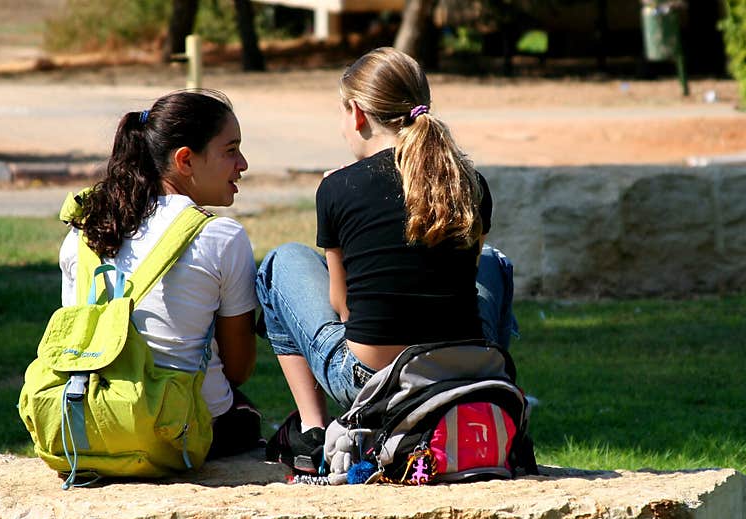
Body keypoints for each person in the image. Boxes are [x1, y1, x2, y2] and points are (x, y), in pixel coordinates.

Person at [256, 46, 519, 462]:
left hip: (372, 379)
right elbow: (463, 279)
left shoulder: (339, 187)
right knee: (493, 262)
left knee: (280, 262)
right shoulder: (469, 183)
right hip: (460, 367)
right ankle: (477, 400)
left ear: (357, 113)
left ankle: (313, 428)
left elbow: (342, 307)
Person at [58, 89, 264, 459]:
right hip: (183, 428)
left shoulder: (84, 225)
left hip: (89, 422)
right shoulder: (220, 236)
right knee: (244, 410)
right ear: (185, 160)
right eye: (230, 150)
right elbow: (238, 367)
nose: (243, 164)